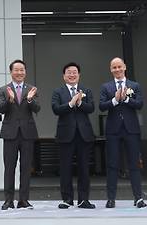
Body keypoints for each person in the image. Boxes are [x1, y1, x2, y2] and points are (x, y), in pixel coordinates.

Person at [99, 57, 146, 208]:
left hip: (131, 129)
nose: (117, 70)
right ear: (110, 69)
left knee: (134, 164)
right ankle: (111, 198)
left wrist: (126, 99)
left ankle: (138, 197)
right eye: (114, 67)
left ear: (124, 67)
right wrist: (114, 100)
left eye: (119, 67)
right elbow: (101, 106)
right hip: (113, 130)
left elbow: (139, 104)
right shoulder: (106, 87)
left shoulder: (135, 85)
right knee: (112, 164)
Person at [51, 62, 96, 210]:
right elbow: (56, 109)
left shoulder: (86, 90)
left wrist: (80, 102)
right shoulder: (58, 91)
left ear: (79, 75)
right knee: (65, 168)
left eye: (74, 72)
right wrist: (70, 104)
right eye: (69, 72)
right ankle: (67, 199)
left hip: (83, 135)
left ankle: (84, 200)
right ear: (64, 76)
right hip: (65, 135)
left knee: (84, 168)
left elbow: (91, 108)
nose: (72, 74)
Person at [0, 59, 40, 210]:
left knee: (25, 167)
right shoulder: (3, 89)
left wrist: (29, 99)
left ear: (25, 72)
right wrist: (9, 99)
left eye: (22, 70)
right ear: (11, 72)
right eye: (16, 70)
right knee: (9, 167)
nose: (19, 72)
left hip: (27, 133)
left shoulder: (32, 89)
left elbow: (37, 109)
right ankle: (8, 200)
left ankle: (23, 200)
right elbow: (1, 110)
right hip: (10, 133)